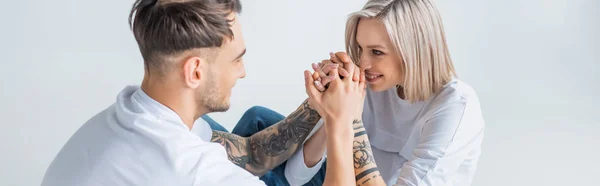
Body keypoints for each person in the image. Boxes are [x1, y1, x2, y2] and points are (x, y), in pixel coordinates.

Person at [40, 0, 376, 185]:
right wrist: (342, 122)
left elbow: (248, 153)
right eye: (236, 60)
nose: (243, 71)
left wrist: (315, 106)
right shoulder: (200, 174)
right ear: (195, 71)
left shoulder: (125, 116)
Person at [284, 0, 487, 185]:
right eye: (360, 49)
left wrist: (349, 118)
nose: (363, 63)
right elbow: (294, 179)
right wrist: (329, 112)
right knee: (259, 118)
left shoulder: (456, 106)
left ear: (415, 51)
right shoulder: (368, 85)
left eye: (377, 52)